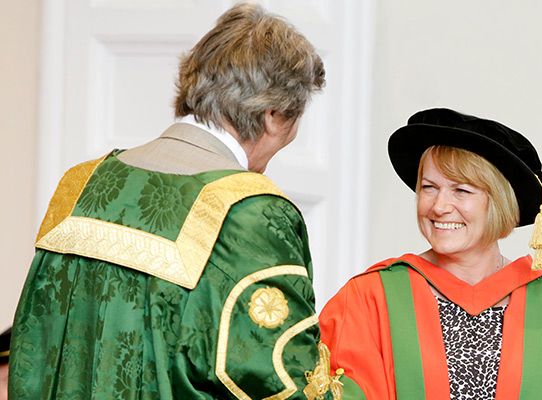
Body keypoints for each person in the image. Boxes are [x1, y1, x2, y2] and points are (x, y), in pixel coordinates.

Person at [10, 4, 352, 399]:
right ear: (274, 114)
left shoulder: (80, 185)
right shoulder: (248, 215)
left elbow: (32, 354)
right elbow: (279, 380)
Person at [319, 108, 542, 399]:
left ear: (499, 202)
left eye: (461, 191)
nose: (439, 206)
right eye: (429, 187)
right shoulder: (369, 298)